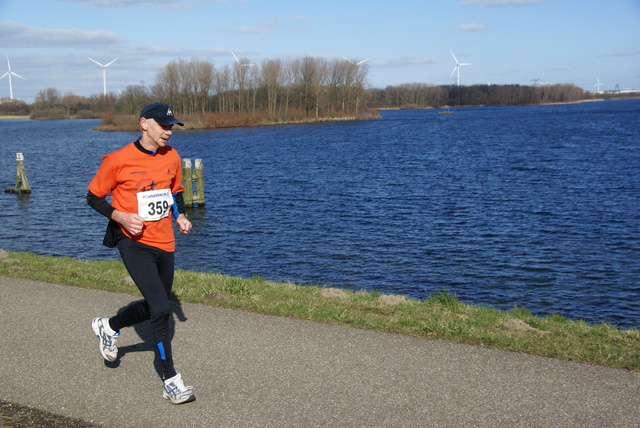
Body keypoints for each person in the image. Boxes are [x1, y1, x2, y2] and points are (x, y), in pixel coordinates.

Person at [87, 102, 195, 405]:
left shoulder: (172, 157)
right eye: (163, 125)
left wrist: (181, 216)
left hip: (165, 241)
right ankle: (170, 378)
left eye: (171, 126)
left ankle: (108, 326)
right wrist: (120, 217)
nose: (168, 131)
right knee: (161, 309)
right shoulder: (117, 159)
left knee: (155, 304)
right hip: (132, 241)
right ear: (144, 123)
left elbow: (175, 191)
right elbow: (93, 197)